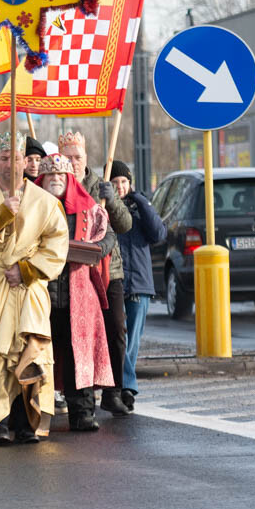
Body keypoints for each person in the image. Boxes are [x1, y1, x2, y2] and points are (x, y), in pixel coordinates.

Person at [0, 132, 69, 445]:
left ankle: (27, 422)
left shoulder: (44, 202)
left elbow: (57, 244)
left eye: (16, 158)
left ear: (25, 161)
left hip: (30, 288)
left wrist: (27, 269)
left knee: (30, 351)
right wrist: (1, 214)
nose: (11, 164)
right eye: (4, 158)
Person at [36, 153, 117, 431]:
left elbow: (108, 235)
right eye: (50, 175)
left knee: (77, 355)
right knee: (38, 355)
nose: (55, 179)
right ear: (41, 179)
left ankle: (82, 413)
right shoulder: (30, 209)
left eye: (60, 175)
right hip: (40, 295)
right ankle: (33, 414)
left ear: (69, 178)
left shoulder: (89, 208)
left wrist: (97, 250)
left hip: (78, 297)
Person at [58, 131, 133, 416]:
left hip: (107, 271)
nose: (73, 162)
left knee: (116, 329)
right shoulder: (56, 186)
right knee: (75, 334)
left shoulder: (100, 185)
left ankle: (113, 391)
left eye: (77, 157)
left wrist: (111, 200)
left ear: (86, 158)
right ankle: (75, 392)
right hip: (72, 273)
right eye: (67, 157)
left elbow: (124, 225)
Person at [110, 159, 166, 411]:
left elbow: (158, 234)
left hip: (140, 283)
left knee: (132, 339)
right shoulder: (106, 207)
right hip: (115, 281)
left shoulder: (140, 207)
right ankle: (123, 385)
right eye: (115, 182)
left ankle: (126, 387)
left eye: (124, 181)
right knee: (119, 336)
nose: (120, 186)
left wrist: (142, 202)